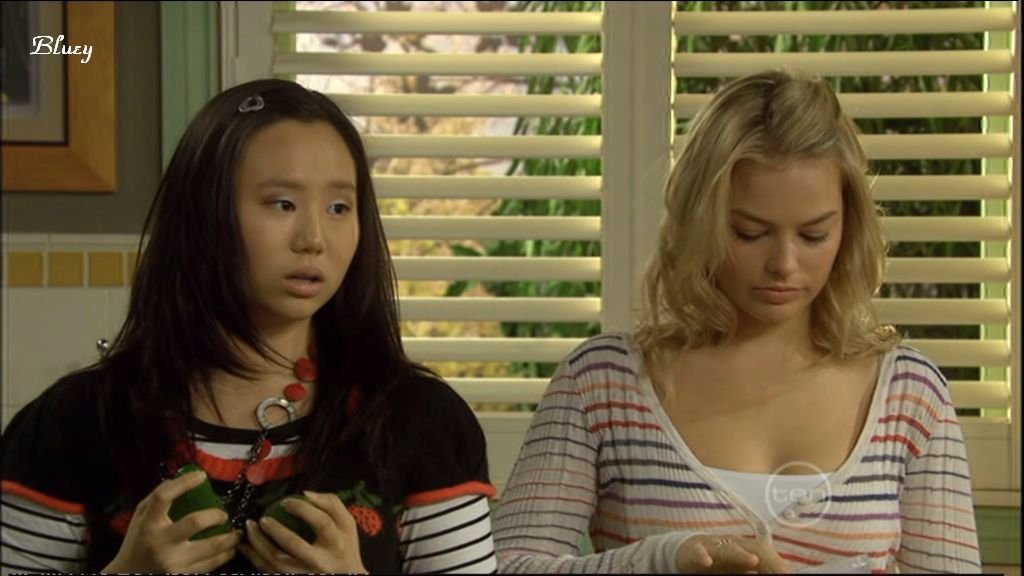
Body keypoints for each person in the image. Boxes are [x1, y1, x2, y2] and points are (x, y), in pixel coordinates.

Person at [492, 69, 981, 574]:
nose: (784, 264)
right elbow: (507, 567)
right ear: (699, 219)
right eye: (749, 233)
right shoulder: (602, 383)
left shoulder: (909, 394)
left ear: (849, 228)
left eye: (813, 235)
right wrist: (661, 561)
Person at [1, 78, 498, 575]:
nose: (314, 238)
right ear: (202, 215)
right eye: (282, 204)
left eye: (339, 208)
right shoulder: (72, 424)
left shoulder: (422, 423)